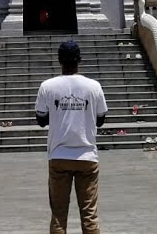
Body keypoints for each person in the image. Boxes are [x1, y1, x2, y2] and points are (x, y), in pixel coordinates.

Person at [35, 40, 109, 234]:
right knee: (89, 215)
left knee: (58, 215)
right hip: (87, 157)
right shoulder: (94, 86)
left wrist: (60, 113)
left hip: (59, 156)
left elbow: (41, 120)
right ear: (80, 60)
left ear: (59, 60)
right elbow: (100, 120)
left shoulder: (47, 86)